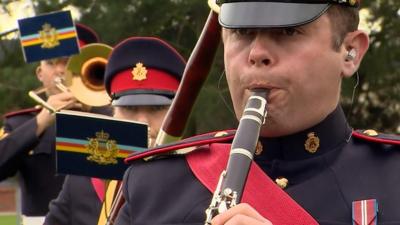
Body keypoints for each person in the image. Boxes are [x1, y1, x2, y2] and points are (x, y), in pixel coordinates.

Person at [114, 0, 400, 224]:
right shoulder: (152, 185)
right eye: (242, 32)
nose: (257, 53)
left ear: (351, 51)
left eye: (289, 32)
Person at [43, 36, 186, 225]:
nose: (142, 121)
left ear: (178, 112)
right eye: (130, 109)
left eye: (156, 108)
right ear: (113, 111)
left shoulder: (195, 176)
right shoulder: (81, 179)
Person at [0, 23, 108, 224]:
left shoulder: (112, 115)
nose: (60, 70)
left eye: (68, 61)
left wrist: (92, 112)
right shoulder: (19, 123)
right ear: (40, 74)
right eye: (51, 62)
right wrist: (40, 122)